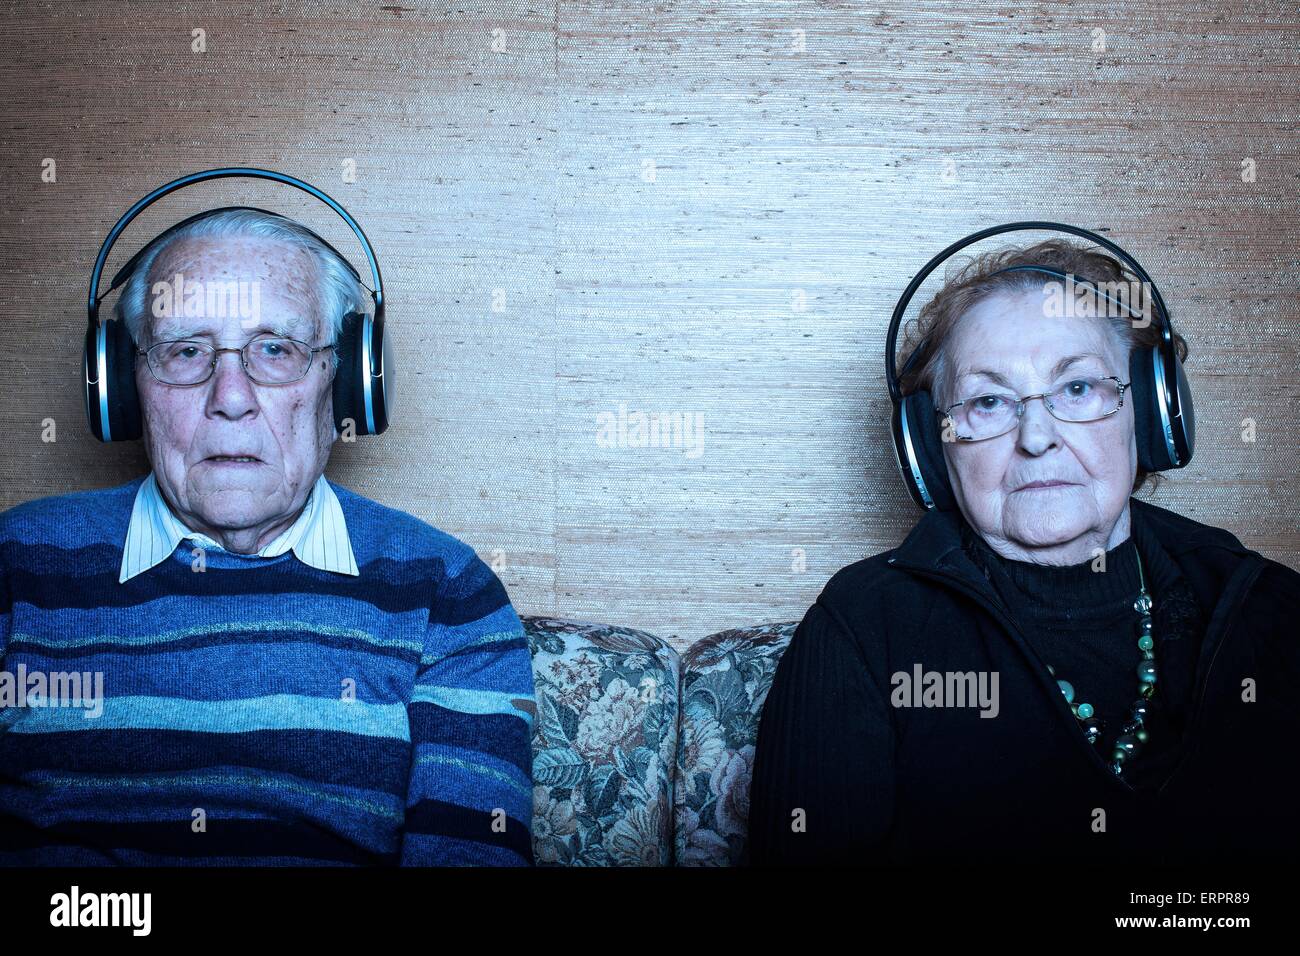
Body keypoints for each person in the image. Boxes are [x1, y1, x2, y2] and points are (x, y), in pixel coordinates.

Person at [0, 208, 535, 865]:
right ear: (122, 383)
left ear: (345, 383)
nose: (231, 397)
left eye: (276, 349)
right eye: (186, 350)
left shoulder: (449, 596)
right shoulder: (15, 567)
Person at [748, 236, 1300, 864]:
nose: (1037, 437)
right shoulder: (866, 626)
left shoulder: (1268, 608)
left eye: (1078, 389)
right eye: (988, 402)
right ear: (934, 447)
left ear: (1148, 413)